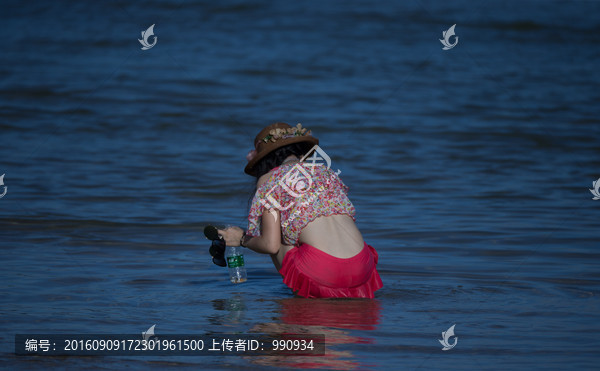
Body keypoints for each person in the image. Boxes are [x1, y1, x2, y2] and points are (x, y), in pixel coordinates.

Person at [218, 122, 383, 298]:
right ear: (301, 153)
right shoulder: (324, 171)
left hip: (325, 272)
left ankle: (303, 295)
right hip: (363, 267)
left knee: (275, 236)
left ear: (265, 161)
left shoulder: (269, 179)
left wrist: (241, 238)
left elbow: (270, 245)